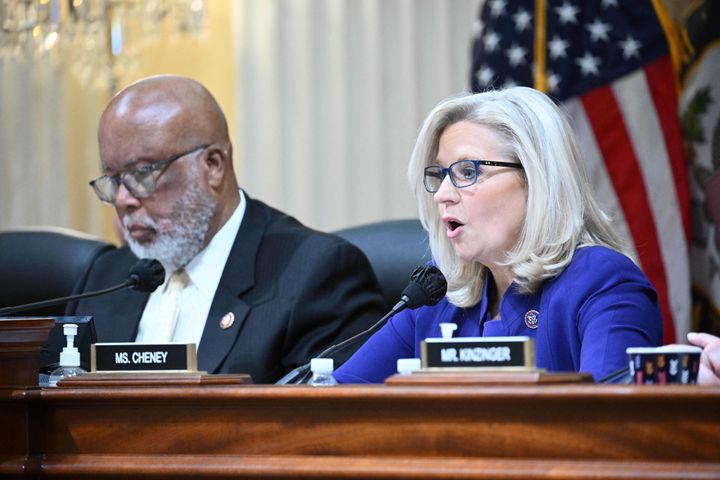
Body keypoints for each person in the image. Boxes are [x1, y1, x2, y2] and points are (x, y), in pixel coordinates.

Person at [65, 75, 386, 383]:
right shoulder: (105, 278)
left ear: (213, 165)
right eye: (114, 179)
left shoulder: (314, 275)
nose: (123, 199)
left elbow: (324, 428)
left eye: (142, 174)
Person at [334, 87, 663, 383]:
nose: (442, 194)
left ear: (535, 180)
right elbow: (334, 407)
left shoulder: (601, 281)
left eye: (467, 171)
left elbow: (615, 425)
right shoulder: (437, 295)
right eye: (441, 174)